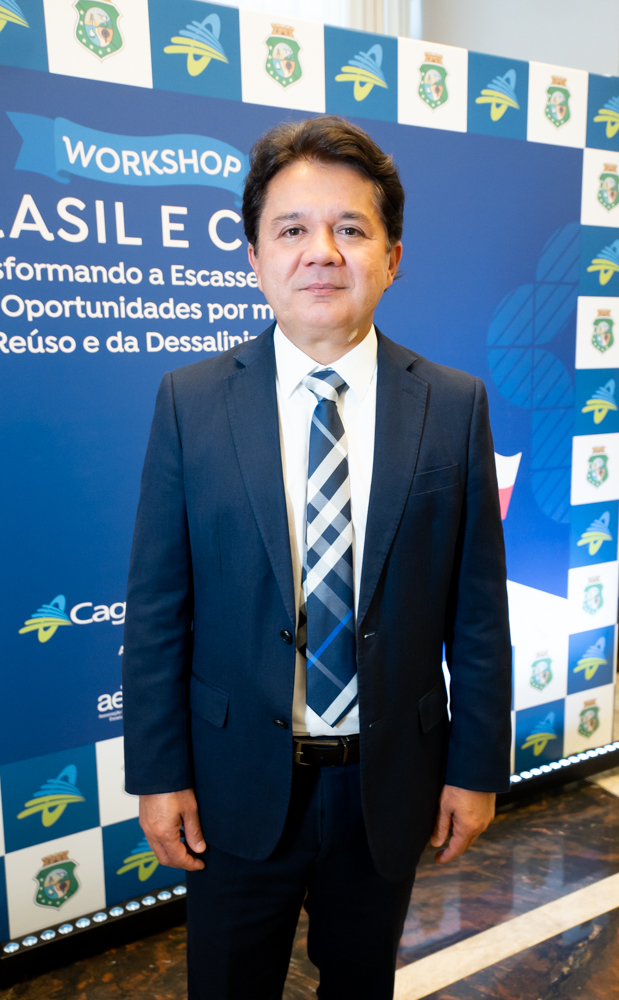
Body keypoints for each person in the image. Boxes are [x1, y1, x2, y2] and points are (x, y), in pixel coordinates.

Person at [122, 115, 512, 1000]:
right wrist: (159, 776)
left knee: (361, 985)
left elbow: (477, 614)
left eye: (350, 229)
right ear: (256, 257)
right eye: (292, 229)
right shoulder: (190, 402)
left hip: (389, 784)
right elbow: (156, 611)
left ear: (392, 257)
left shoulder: (453, 406)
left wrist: (474, 769)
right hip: (231, 785)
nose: (321, 253)